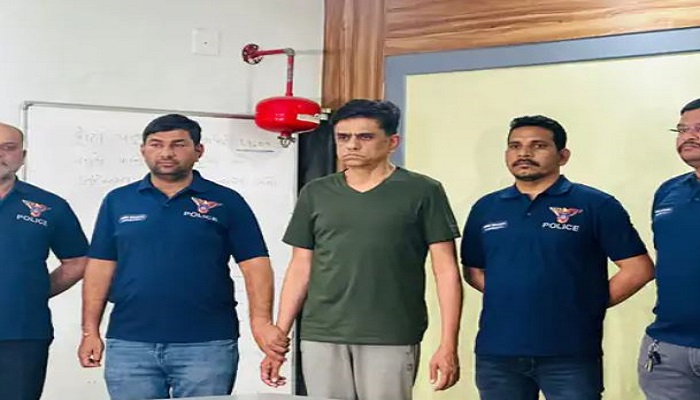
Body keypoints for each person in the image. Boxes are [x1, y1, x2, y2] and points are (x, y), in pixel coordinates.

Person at [260, 99, 463, 400]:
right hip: (322, 332)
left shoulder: (423, 191)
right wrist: (280, 334)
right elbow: (301, 266)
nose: (352, 145)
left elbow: (446, 270)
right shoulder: (316, 192)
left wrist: (448, 344)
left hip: (391, 333)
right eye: (343, 137)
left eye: (364, 136)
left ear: (392, 142)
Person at [77, 114, 288, 400]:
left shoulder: (226, 201)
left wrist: (260, 322)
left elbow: (255, 264)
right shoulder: (118, 201)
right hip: (130, 343)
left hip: (207, 343)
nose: (166, 153)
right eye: (156, 144)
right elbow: (100, 267)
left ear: (198, 151)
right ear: (143, 150)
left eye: (178, 145)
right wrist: (90, 331)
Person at [461, 115, 655, 400]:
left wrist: (585, 304)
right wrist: (515, 298)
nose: (524, 153)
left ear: (563, 156)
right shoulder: (486, 207)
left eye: (538, 145)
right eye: (515, 146)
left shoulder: (596, 204)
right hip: (498, 354)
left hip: (570, 353)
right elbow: (474, 270)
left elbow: (638, 268)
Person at [0, 122, 88, 400]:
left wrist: (35, 290)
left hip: (21, 333)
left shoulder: (49, 206)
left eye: (8, 148)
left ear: (22, 156)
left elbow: (78, 260)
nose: (0, 154)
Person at [638, 98, 700, 399]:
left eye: (699, 128)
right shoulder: (668, 192)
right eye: (682, 129)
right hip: (669, 349)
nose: (689, 136)